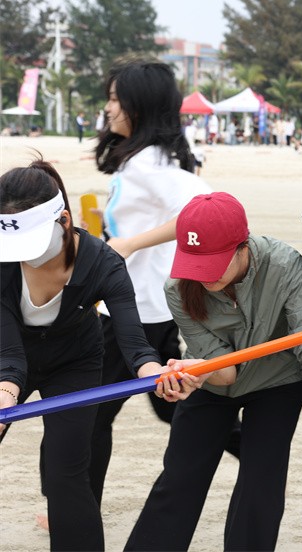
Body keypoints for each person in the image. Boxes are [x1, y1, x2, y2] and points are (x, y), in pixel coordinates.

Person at [125, 192, 302, 551]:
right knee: (180, 478)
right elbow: (226, 375)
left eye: (212, 263)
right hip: (211, 380)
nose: (203, 276)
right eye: (194, 262)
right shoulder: (178, 287)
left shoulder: (284, 264)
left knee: (260, 485)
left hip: (277, 382)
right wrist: (197, 373)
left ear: (242, 247)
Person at [0, 157, 186, 551]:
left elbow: (135, 346)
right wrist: (5, 393)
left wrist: (156, 376)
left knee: (66, 472)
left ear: (64, 221)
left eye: (31, 244)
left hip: (76, 363)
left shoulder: (103, 262)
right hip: (7, 354)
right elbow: (10, 355)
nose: (22, 255)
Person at [89, 59, 230, 509]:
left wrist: (131, 243)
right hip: (146, 307)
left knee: (91, 413)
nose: (109, 108)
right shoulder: (140, 159)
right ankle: (253, 446)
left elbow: (204, 206)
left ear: (140, 105)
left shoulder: (149, 163)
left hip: (134, 312)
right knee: (170, 405)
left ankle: (74, 505)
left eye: (116, 99)